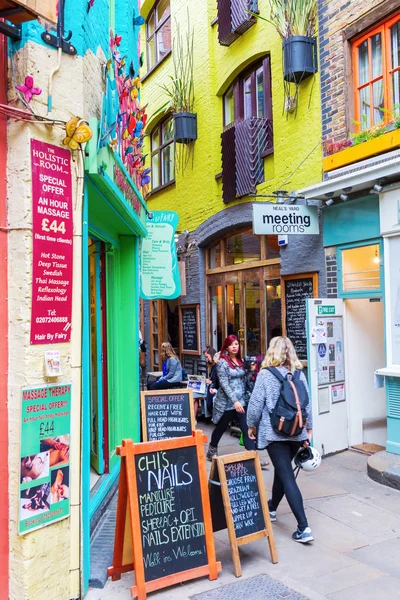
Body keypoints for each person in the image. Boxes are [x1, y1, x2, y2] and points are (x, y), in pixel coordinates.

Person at [247, 336, 314, 543]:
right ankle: (272, 508)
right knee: (282, 471)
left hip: (275, 433)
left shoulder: (265, 375)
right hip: (296, 432)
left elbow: (256, 403)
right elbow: (307, 405)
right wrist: (308, 430)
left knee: (286, 474)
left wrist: (250, 425)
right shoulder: (299, 374)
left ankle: (304, 528)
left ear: (271, 351)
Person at [206, 335, 255, 461]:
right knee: (221, 427)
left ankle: (253, 456)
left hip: (241, 400)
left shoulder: (241, 361)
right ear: (227, 346)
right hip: (227, 403)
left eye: (236, 344)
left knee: (246, 427)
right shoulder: (222, 362)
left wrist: (250, 370)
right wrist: (235, 401)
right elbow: (224, 384)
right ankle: (212, 449)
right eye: (232, 344)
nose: (234, 347)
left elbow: (245, 379)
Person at [203, 346, 218, 415]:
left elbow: (218, 381)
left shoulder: (217, 366)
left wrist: (211, 382)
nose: (206, 359)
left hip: (216, 389)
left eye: (207, 357)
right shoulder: (213, 366)